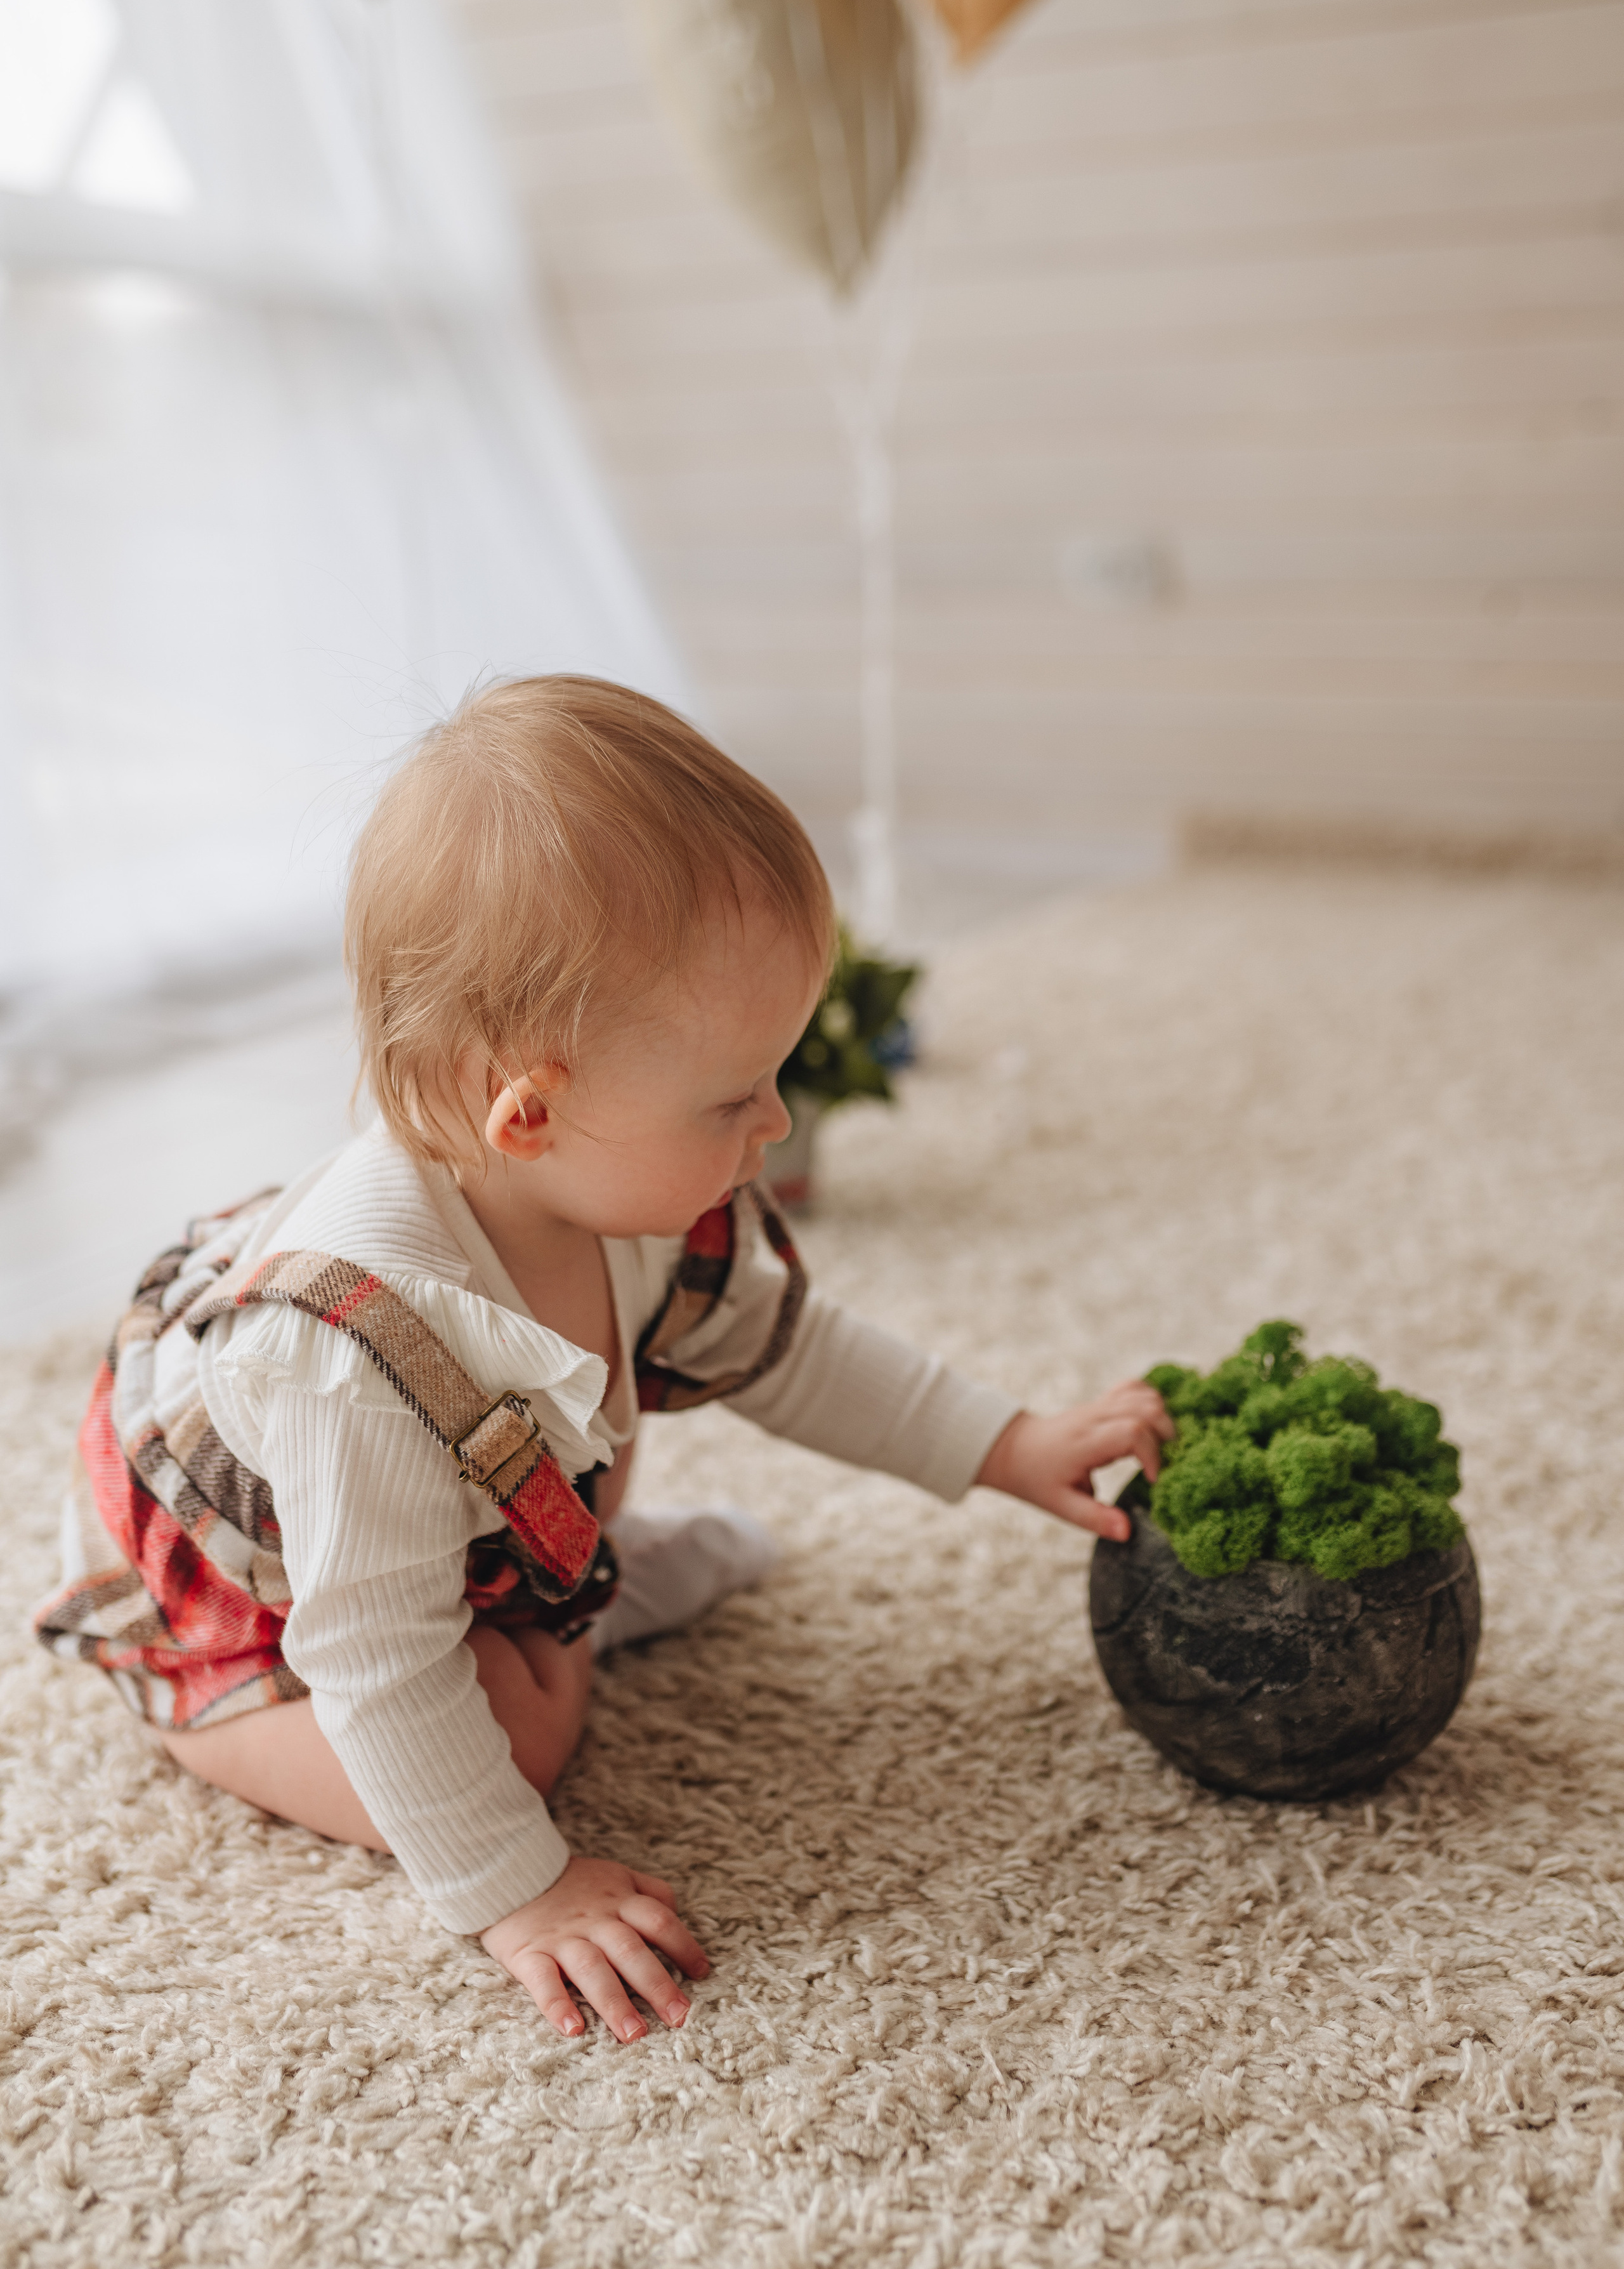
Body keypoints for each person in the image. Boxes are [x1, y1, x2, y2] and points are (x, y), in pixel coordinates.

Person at [37, 678, 1171, 2044]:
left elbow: (786, 1350)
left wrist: (1003, 1440)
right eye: (732, 1092)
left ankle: (563, 1591)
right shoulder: (352, 1355)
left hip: (421, 1513)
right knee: (513, 1744)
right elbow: (382, 1655)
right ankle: (189, 1713)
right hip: (244, 1583)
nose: (772, 1119)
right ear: (527, 1114)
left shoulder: (615, 1199)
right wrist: (519, 1889)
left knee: (596, 1429)